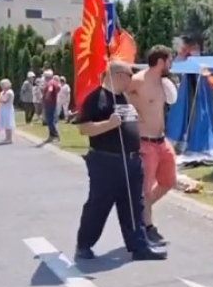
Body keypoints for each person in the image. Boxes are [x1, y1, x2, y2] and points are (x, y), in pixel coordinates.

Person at [73, 60, 167, 261]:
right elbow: (84, 128)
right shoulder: (97, 98)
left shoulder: (123, 98)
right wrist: (109, 124)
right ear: (116, 75)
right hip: (106, 162)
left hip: (131, 160)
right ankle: (84, 244)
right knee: (99, 205)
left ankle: (139, 247)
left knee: (134, 205)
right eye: (129, 75)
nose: (131, 79)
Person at [128, 45, 178, 245]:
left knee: (169, 181)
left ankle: (141, 210)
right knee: (145, 189)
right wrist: (130, 112)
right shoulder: (138, 81)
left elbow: (171, 101)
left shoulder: (163, 83)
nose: (171, 64)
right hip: (145, 143)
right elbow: (120, 95)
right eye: (169, 60)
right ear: (161, 61)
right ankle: (147, 226)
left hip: (161, 141)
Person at [0, 79, 16, 144]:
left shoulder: (9, 92)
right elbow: (1, 99)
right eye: (1, 85)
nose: (1, 86)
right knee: (6, 124)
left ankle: (9, 138)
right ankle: (7, 138)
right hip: (3, 109)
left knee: (8, 124)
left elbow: (5, 100)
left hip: (8, 109)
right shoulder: (2, 92)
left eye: (3, 85)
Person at [42, 70, 61, 142]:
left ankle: (55, 135)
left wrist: (47, 97)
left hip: (50, 104)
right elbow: (59, 88)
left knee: (50, 120)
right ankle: (51, 136)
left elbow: (50, 90)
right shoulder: (55, 82)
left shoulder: (50, 83)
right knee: (51, 120)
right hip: (52, 103)